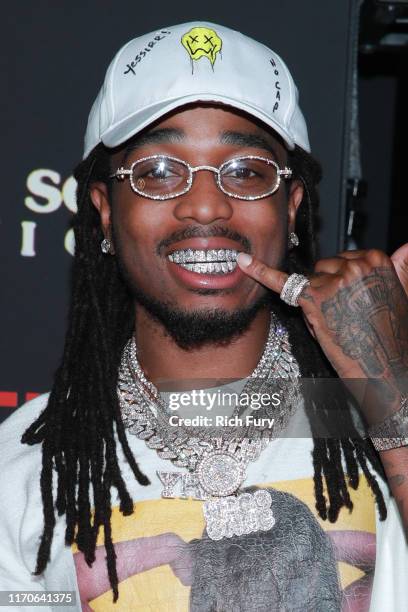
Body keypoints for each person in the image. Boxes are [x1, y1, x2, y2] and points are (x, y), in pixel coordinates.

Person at [0, 21, 407, 612]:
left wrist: (393, 398)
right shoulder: (29, 462)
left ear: (291, 209)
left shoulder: (378, 410)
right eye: (159, 171)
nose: (205, 205)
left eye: (245, 170)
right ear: (106, 213)